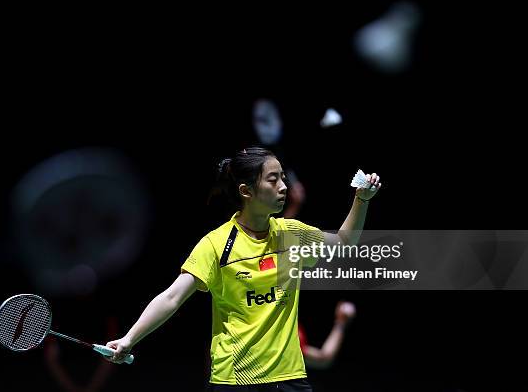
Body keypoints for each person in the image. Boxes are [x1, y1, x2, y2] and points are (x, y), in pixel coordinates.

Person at [103, 147, 381, 391]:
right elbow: (172, 297)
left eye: (282, 177)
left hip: (288, 376)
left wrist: (362, 200)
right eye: (273, 180)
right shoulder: (216, 244)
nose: (283, 186)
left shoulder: (291, 234)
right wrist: (129, 338)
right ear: (246, 191)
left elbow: (344, 243)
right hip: (235, 380)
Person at [299, 301, 356, 370]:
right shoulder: (290, 334)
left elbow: (323, 357)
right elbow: (324, 358)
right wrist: (341, 324)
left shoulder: (293, 331)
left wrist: (341, 322)